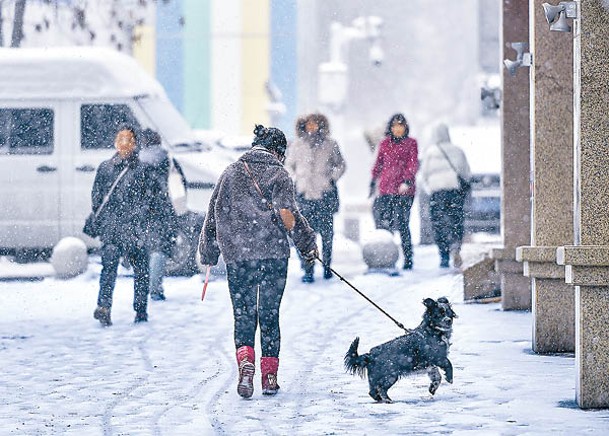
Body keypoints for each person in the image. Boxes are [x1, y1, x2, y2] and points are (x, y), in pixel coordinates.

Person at [198, 124, 317, 398]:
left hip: (238, 257)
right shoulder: (279, 174)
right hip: (273, 255)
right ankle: (270, 376)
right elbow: (287, 214)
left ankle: (246, 363)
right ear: (278, 151)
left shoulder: (230, 173)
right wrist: (306, 244)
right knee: (269, 314)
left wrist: (208, 252)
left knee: (243, 313)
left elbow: (213, 213)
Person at [91, 124, 176, 326]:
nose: (124, 143)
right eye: (120, 139)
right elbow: (96, 197)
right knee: (109, 268)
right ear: (115, 142)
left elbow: (157, 199)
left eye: (128, 139)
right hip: (114, 229)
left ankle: (140, 310)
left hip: (136, 229)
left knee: (140, 271)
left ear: (136, 144)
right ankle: (104, 307)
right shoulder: (105, 167)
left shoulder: (144, 170)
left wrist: (155, 219)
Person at [285, 113, 346, 282]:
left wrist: (331, 178)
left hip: (324, 196)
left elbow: (340, 164)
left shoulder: (330, 144)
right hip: (304, 196)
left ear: (321, 125)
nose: (311, 127)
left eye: (314, 124)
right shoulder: (297, 145)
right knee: (305, 236)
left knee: (327, 236)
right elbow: (289, 164)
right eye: (308, 124)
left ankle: (327, 266)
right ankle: (308, 269)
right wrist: (296, 179)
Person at [369, 113, 419, 270]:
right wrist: (373, 180)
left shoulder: (411, 143)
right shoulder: (385, 144)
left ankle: (408, 257)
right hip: (386, 189)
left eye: (400, 126)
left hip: (404, 191)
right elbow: (378, 164)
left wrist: (407, 180)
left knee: (403, 224)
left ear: (405, 127)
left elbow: (413, 163)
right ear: (390, 128)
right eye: (395, 126)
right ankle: (385, 258)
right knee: (385, 225)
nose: (398, 129)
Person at [419, 122, 471, 268]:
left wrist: (430, 189)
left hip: (437, 194)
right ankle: (455, 246)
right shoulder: (457, 151)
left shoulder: (430, 152)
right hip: (454, 192)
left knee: (438, 224)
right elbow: (466, 172)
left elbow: (424, 175)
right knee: (456, 221)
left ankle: (443, 254)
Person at [138, 128, 181, 301]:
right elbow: (179, 184)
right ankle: (155, 288)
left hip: (141, 210)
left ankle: (143, 288)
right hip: (164, 209)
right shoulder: (168, 159)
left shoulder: (136, 161)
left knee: (144, 248)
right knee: (160, 248)